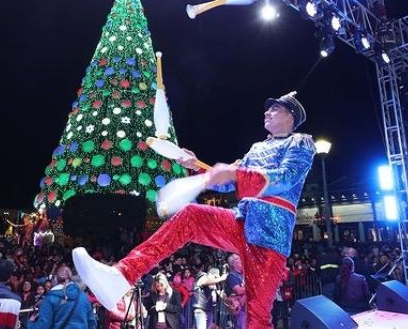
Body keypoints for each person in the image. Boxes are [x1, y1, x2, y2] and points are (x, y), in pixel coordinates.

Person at [74, 92, 316, 329]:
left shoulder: (301, 142)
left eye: (275, 108)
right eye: (268, 108)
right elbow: (226, 181)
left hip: (270, 238)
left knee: (257, 317)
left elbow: (287, 177)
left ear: (291, 117)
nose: (267, 111)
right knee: (192, 215)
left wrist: (235, 173)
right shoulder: (256, 148)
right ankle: (120, 277)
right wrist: (197, 165)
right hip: (242, 222)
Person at [27, 265, 96, 329]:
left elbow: (43, 326)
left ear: (56, 279)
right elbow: (91, 322)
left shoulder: (50, 298)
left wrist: (30, 323)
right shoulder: (83, 296)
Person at [225, 255, 246, 329]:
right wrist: (250, 289)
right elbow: (238, 290)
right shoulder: (232, 276)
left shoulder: (244, 275)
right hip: (239, 309)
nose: (241, 260)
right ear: (233, 263)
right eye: (238, 259)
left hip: (247, 307)